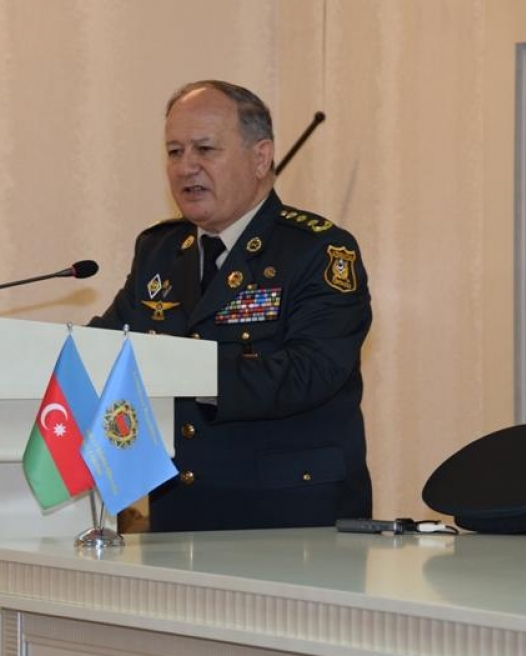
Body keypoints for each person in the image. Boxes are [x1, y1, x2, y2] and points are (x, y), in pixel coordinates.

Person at [90, 80, 372, 532]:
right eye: (175, 151)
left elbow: (312, 371)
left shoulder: (317, 250)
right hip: (182, 515)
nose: (186, 167)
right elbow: (108, 345)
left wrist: (182, 367)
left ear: (261, 158)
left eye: (205, 149)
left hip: (294, 521)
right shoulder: (160, 250)